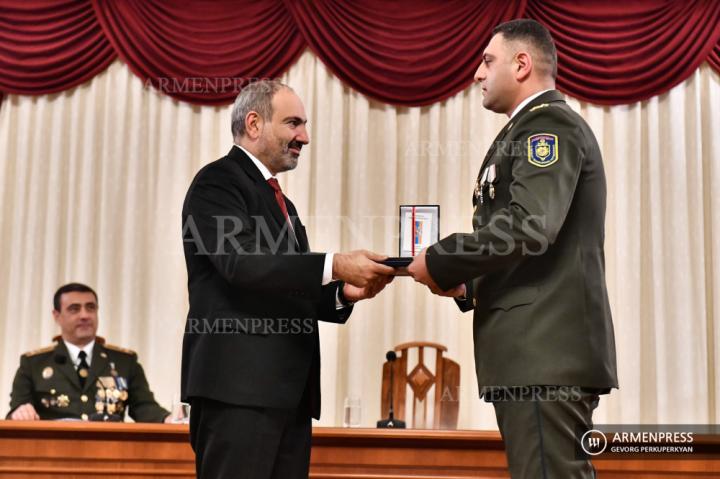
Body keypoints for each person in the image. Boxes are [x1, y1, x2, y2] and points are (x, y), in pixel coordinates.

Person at [408, 19, 618, 478]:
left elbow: (529, 226)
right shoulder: (525, 129)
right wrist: (467, 286)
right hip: (533, 355)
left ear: (522, 64)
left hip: (544, 355)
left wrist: (442, 259)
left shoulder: (548, 127)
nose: (477, 75)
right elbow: (530, 244)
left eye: (487, 61)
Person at [181, 80, 394, 479]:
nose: (305, 137)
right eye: (294, 123)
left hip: (287, 397)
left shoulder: (283, 203)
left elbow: (285, 286)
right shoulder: (217, 183)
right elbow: (242, 264)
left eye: (305, 125)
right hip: (237, 394)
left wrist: (345, 293)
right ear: (255, 123)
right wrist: (335, 263)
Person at [8, 282, 171, 423]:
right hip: (53, 451)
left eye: (90, 308)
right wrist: (20, 412)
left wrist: (167, 419)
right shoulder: (34, 364)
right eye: (74, 309)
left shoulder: (124, 362)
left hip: (109, 452)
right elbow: (17, 410)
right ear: (56, 316)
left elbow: (144, 407)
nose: (85, 315)